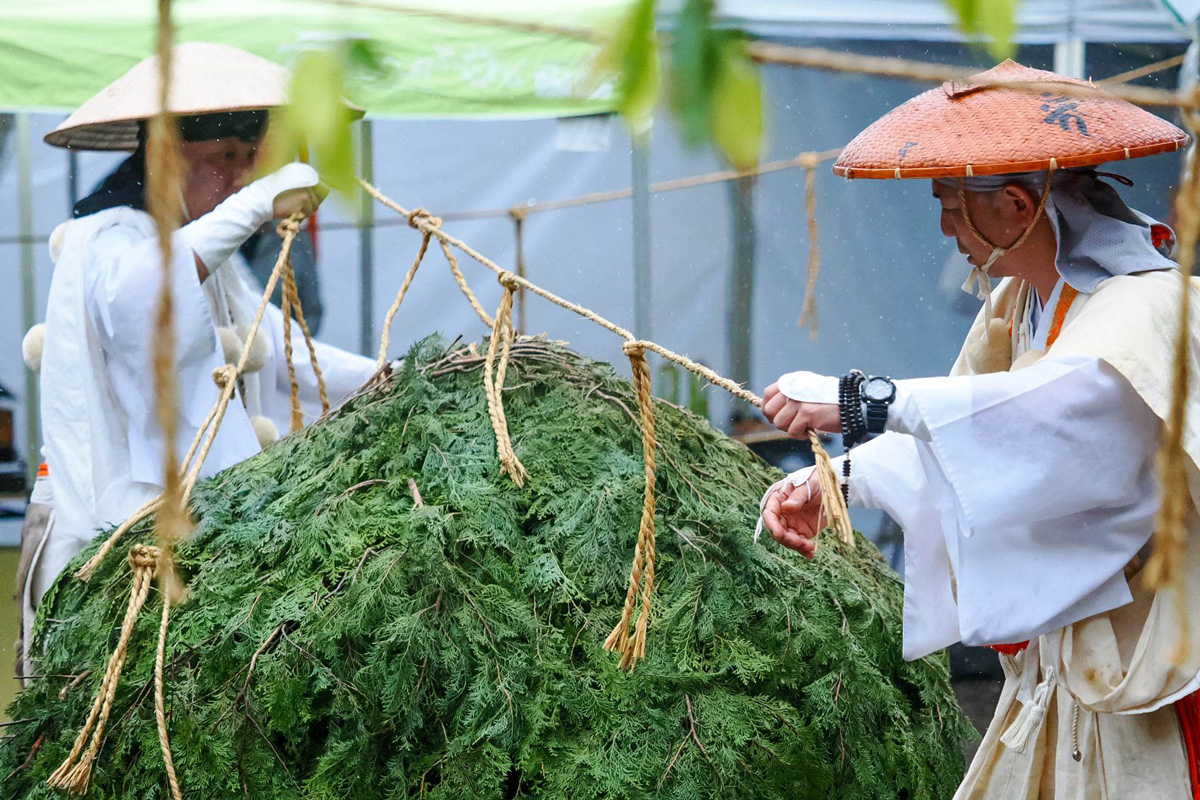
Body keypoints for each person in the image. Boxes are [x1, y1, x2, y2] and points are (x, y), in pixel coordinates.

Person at [757, 60, 1200, 798]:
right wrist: (836, 478)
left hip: (1149, 667)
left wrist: (864, 399)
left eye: (951, 203)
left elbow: (1050, 426)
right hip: (1063, 671)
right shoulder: (1020, 302)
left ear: (1018, 207)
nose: (944, 227)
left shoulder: (1150, 306)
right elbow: (963, 439)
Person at [18, 43, 376, 673]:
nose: (239, 176)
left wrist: (396, 377)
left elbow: (291, 349)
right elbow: (141, 302)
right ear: (166, 158)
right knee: (91, 703)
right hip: (101, 528)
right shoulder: (109, 236)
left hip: (178, 521)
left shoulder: (209, 259)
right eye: (225, 159)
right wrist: (253, 205)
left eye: (250, 160)